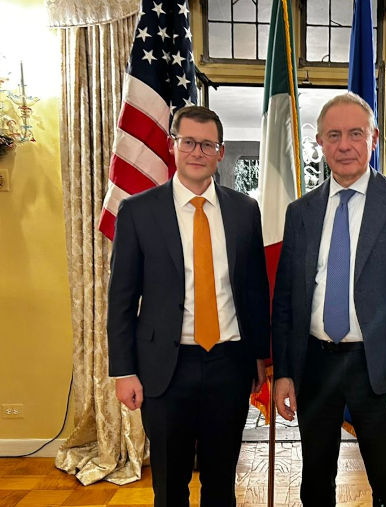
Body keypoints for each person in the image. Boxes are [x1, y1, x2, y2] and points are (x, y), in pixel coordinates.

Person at [271, 92, 386, 507]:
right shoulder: (300, 211)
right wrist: (284, 372)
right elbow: (287, 299)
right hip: (314, 364)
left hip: (379, 367)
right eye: (334, 135)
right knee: (315, 481)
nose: (344, 145)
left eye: (355, 134)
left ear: (374, 138)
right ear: (320, 143)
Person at [107, 106, 270, 507]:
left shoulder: (244, 211)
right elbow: (122, 299)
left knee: (221, 484)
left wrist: (260, 358)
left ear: (220, 152)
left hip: (230, 364)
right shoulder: (138, 211)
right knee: (169, 485)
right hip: (165, 368)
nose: (198, 152)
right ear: (172, 145)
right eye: (189, 142)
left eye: (208, 144)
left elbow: (254, 290)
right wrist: (124, 371)